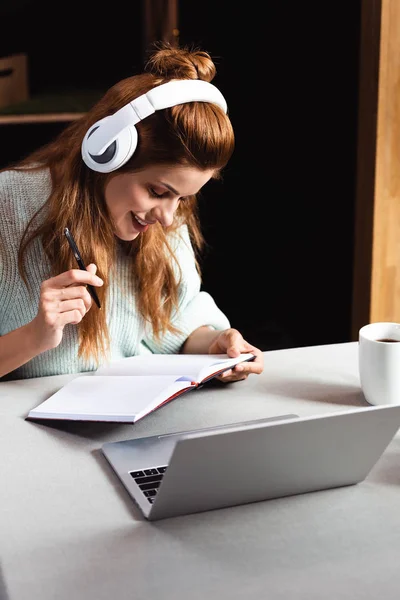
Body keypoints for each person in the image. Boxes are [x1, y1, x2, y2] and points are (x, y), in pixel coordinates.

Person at [0, 42, 264, 381]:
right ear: (106, 153)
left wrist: (216, 345)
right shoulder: (7, 208)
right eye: (157, 191)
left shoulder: (165, 219)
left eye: (182, 199)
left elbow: (173, 328)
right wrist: (34, 336)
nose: (168, 218)